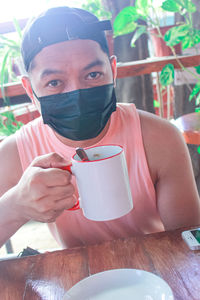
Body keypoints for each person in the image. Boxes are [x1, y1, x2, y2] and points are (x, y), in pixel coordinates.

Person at [0, 6, 200, 249]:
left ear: (113, 71)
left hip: (156, 273)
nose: (77, 93)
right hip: (78, 281)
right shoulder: (15, 153)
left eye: (93, 75)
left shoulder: (160, 138)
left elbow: (190, 243)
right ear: (31, 91)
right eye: (54, 82)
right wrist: (15, 207)